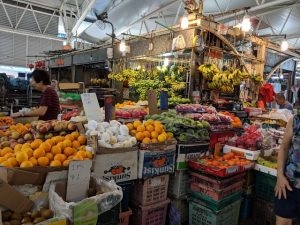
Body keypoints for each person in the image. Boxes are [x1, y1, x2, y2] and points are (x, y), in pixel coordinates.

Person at [275, 116, 300, 225]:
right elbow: (284, 147)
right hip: (288, 185)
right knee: (283, 221)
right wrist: (280, 176)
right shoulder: (295, 120)